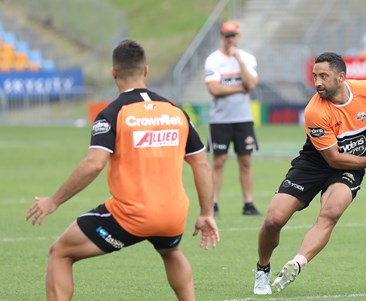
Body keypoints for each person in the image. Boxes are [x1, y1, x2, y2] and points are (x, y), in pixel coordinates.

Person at [25, 39, 220, 301]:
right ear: (146, 71)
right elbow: (201, 163)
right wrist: (207, 213)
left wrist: (54, 201)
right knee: (170, 251)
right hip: (173, 213)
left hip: (131, 214)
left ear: (113, 72)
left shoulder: (113, 114)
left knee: (60, 252)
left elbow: (93, 163)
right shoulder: (176, 112)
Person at [253, 52, 366, 295]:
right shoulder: (314, 110)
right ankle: (262, 269)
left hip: (351, 166)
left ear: (341, 77)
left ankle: (297, 262)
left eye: (323, 76)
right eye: (315, 76)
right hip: (315, 163)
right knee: (274, 219)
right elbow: (334, 159)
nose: (317, 82)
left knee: (331, 211)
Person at [204, 20, 261, 216]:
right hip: (220, 119)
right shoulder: (213, 59)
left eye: (233, 35)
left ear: (238, 36)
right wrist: (239, 88)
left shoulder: (247, 58)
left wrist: (239, 61)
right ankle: (213, 203)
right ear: (222, 37)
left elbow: (252, 84)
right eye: (227, 36)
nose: (230, 39)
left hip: (243, 118)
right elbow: (214, 88)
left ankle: (248, 203)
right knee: (218, 161)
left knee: (245, 161)